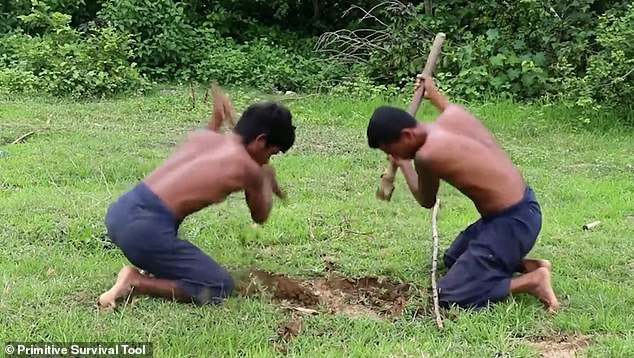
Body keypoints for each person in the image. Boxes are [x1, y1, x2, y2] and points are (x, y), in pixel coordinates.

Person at [365, 75, 559, 312]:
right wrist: (432, 92)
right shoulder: (454, 117)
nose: (394, 155)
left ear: (407, 136)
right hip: (521, 210)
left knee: (449, 294)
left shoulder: (428, 156)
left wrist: (404, 165)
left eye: (391, 149)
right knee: (453, 258)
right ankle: (529, 265)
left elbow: (426, 200)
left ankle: (532, 281)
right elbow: (445, 104)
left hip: (512, 224)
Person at [99, 87, 295, 309]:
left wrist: (218, 120)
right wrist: (266, 180)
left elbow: (204, 164)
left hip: (120, 212)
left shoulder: (205, 138)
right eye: (272, 153)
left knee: (169, 222)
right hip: (145, 230)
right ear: (261, 141)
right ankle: (136, 282)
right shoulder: (249, 169)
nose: (268, 161)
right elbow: (260, 215)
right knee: (219, 286)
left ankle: (154, 265)